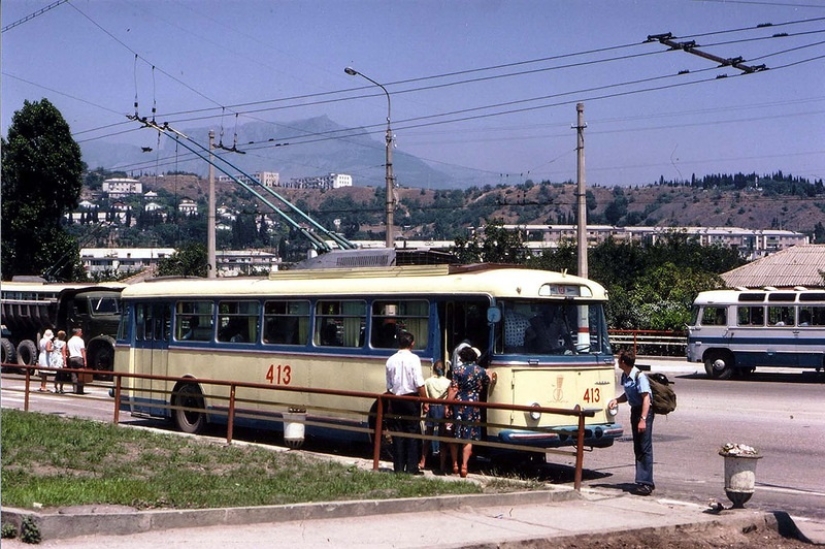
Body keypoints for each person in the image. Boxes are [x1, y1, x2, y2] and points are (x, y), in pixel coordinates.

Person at [608, 350, 655, 496]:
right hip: (635, 411)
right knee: (638, 446)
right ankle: (641, 480)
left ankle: (646, 483)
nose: (617, 361)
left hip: (644, 412)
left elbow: (646, 399)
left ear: (623, 362)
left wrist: (643, 419)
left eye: (618, 359)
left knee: (644, 447)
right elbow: (627, 395)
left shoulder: (639, 376)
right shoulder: (625, 375)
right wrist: (617, 400)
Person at [385, 331, 428, 474]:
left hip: (396, 400)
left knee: (397, 433)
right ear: (412, 344)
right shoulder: (414, 359)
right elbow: (419, 383)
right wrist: (426, 401)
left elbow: (389, 385)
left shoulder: (390, 360)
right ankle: (412, 467)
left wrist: (390, 403)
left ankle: (398, 467)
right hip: (411, 400)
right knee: (412, 432)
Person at [448, 346, 490, 478]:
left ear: (462, 358)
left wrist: (447, 405)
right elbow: (488, 380)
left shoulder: (457, 370)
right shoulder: (480, 371)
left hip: (460, 404)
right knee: (469, 436)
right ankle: (464, 466)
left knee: (456, 434)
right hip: (474, 405)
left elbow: (454, 389)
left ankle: (454, 464)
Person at [418, 360, 451, 473]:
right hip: (442, 408)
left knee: (428, 436)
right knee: (442, 438)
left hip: (432, 408)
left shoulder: (428, 381)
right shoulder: (448, 382)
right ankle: (442, 465)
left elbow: (425, 396)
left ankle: (423, 461)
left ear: (433, 369)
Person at [67, 327, 88, 395]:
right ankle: (80, 389)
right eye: (80, 332)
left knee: (74, 374)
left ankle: (75, 389)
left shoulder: (70, 341)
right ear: (77, 333)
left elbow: (68, 351)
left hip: (72, 358)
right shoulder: (80, 340)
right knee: (81, 374)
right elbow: (82, 351)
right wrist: (85, 360)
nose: (81, 333)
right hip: (79, 358)